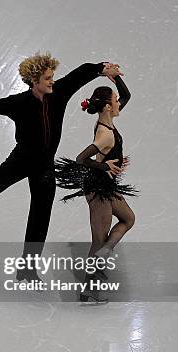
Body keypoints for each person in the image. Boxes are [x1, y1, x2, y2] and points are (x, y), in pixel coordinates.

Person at [0, 52, 123, 283]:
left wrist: (102, 68)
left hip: (45, 167)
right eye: (47, 78)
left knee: (40, 217)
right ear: (34, 81)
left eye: (52, 76)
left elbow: (80, 74)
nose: (52, 81)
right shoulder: (18, 103)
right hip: (21, 161)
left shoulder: (58, 93)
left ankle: (27, 269)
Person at [53, 74, 137, 302]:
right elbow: (81, 158)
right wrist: (104, 164)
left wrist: (116, 77)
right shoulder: (105, 133)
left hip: (106, 183)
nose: (120, 102)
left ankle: (100, 259)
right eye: (116, 100)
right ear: (109, 106)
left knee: (128, 218)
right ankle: (89, 288)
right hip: (97, 188)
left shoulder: (108, 120)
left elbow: (127, 95)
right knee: (98, 240)